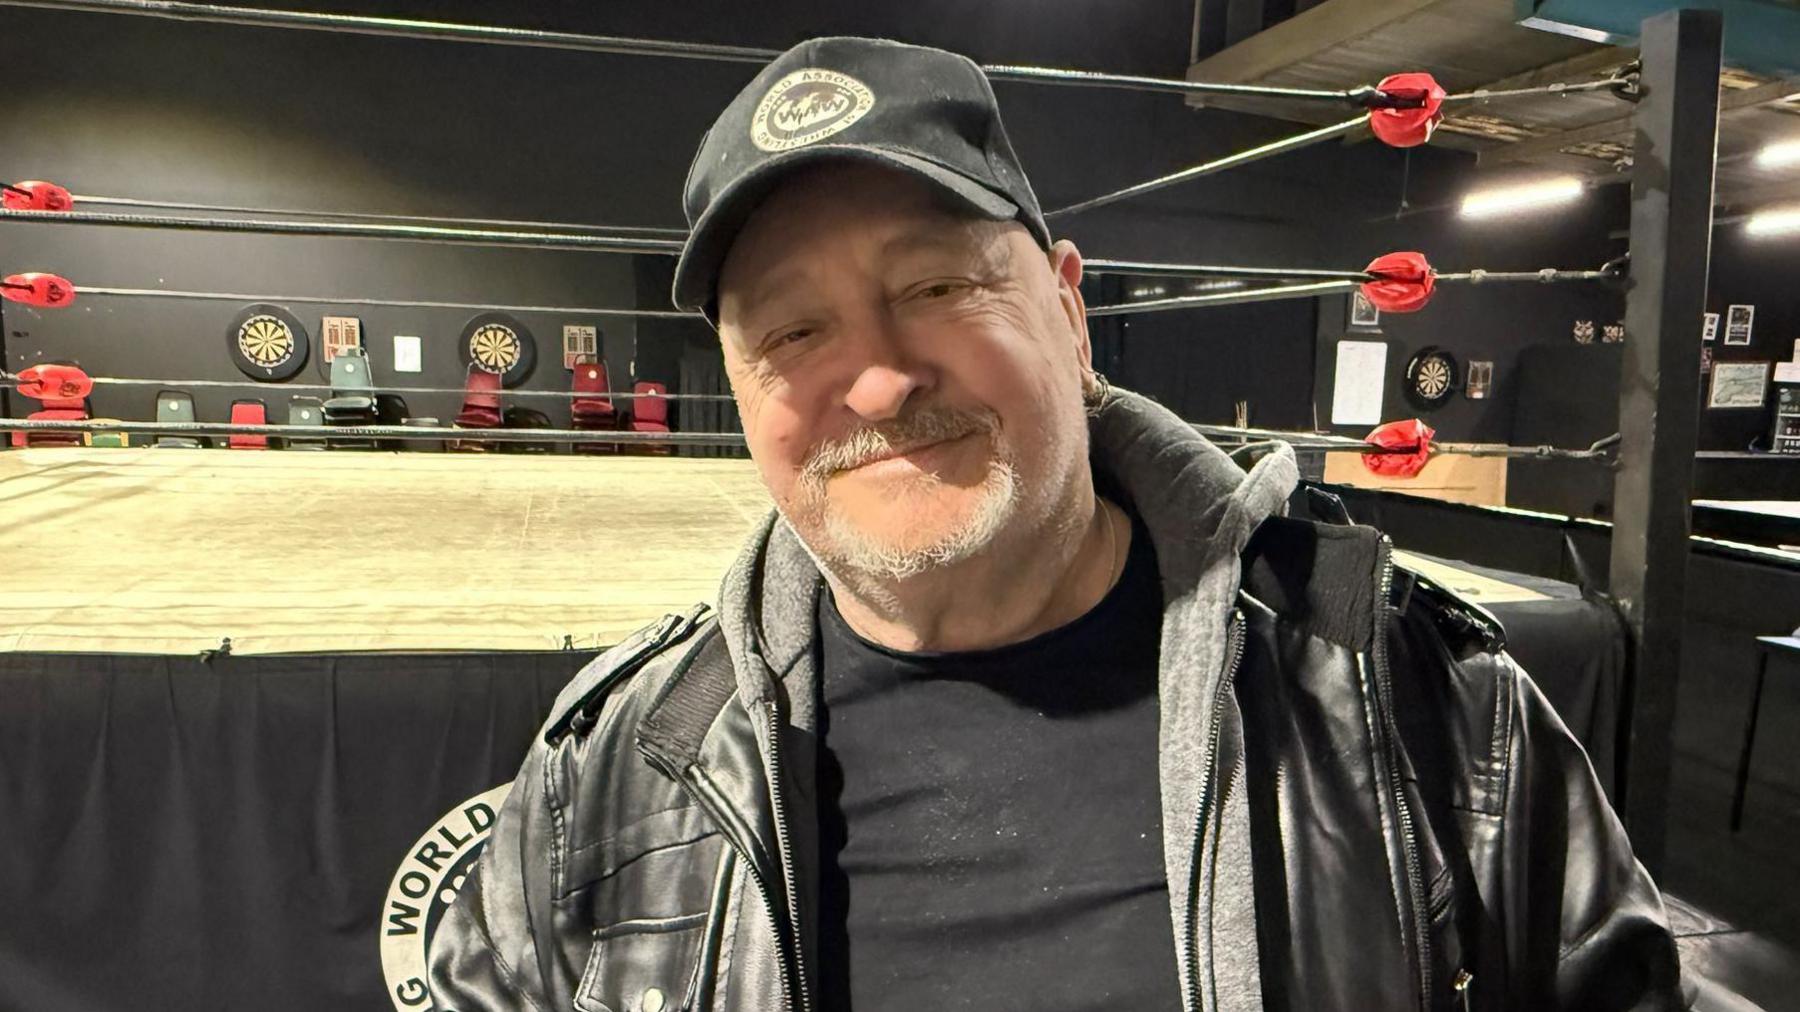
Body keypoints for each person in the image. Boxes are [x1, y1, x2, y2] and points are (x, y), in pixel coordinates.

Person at [429, 36, 1684, 1011]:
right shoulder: (612, 778)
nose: (874, 382)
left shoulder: (1418, 706)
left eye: (933, 285)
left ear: (1070, 313)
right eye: (794, 332)